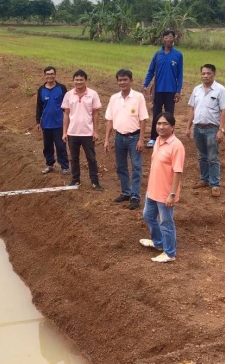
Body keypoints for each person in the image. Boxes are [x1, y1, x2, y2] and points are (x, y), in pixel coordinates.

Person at [139, 112, 185, 263]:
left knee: (166, 223)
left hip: (166, 193)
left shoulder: (176, 146)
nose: (161, 127)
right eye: (159, 123)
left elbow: (178, 171)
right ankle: (158, 242)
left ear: (172, 127)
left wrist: (172, 194)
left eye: (165, 124)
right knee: (148, 216)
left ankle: (170, 253)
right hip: (152, 190)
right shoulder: (158, 140)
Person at [104, 68, 149, 210]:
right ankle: (126, 192)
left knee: (136, 167)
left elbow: (143, 119)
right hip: (119, 137)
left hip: (134, 137)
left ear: (131, 81)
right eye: (120, 80)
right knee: (121, 166)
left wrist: (141, 139)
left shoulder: (138, 97)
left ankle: (135, 196)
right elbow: (109, 120)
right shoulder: (114, 98)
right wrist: (107, 139)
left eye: (125, 80)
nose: (122, 82)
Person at [185, 63, 225, 197]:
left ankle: (215, 184)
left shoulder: (220, 90)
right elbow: (192, 109)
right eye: (203, 73)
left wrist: (221, 130)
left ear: (213, 74)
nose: (205, 76)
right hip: (198, 128)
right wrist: (188, 127)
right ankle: (204, 179)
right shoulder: (196, 90)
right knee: (201, 156)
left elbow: (224, 111)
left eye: (208, 73)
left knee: (213, 157)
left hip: (212, 129)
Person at [61, 69, 103, 190]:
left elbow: (95, 114)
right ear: (73, 80)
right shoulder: (68, 95)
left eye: (81, 80)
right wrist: (64, 132)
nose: (79, 82)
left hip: (87, 133)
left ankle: (95, 181)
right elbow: (66, 114)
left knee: (91, 158)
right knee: (74, 158)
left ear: (85, 80)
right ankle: (75, 180)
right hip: (72, 133)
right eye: (76, 80)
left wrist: (96, 131)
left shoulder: (93, 94)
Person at [143, 29, 183, 148]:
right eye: (166, 37)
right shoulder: (157, 55)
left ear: (174, 39)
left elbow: (180, 74)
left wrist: (178, 91)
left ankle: (170, 138)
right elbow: (151, 71)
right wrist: (145, 85)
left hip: (171, 90)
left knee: (169, 115)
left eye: (170, 37)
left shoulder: (178, 55)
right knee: (156, 114)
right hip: (158, 90)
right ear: (163, 39)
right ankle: (153, 138)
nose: (168, 40)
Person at [35, 65, 70, 175]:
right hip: (46, 123)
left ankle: (64, 167)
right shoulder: (41, 89)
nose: (50, 76)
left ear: (55, 75)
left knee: (61, 146)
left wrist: (69, 120)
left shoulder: (61, 88)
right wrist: (38, 121)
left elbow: (67, 106)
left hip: (59, 123)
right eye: (47, 74)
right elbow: (39, 106)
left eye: (52, 74)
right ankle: (49, 164)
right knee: (48, 146)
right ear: (44, 76)